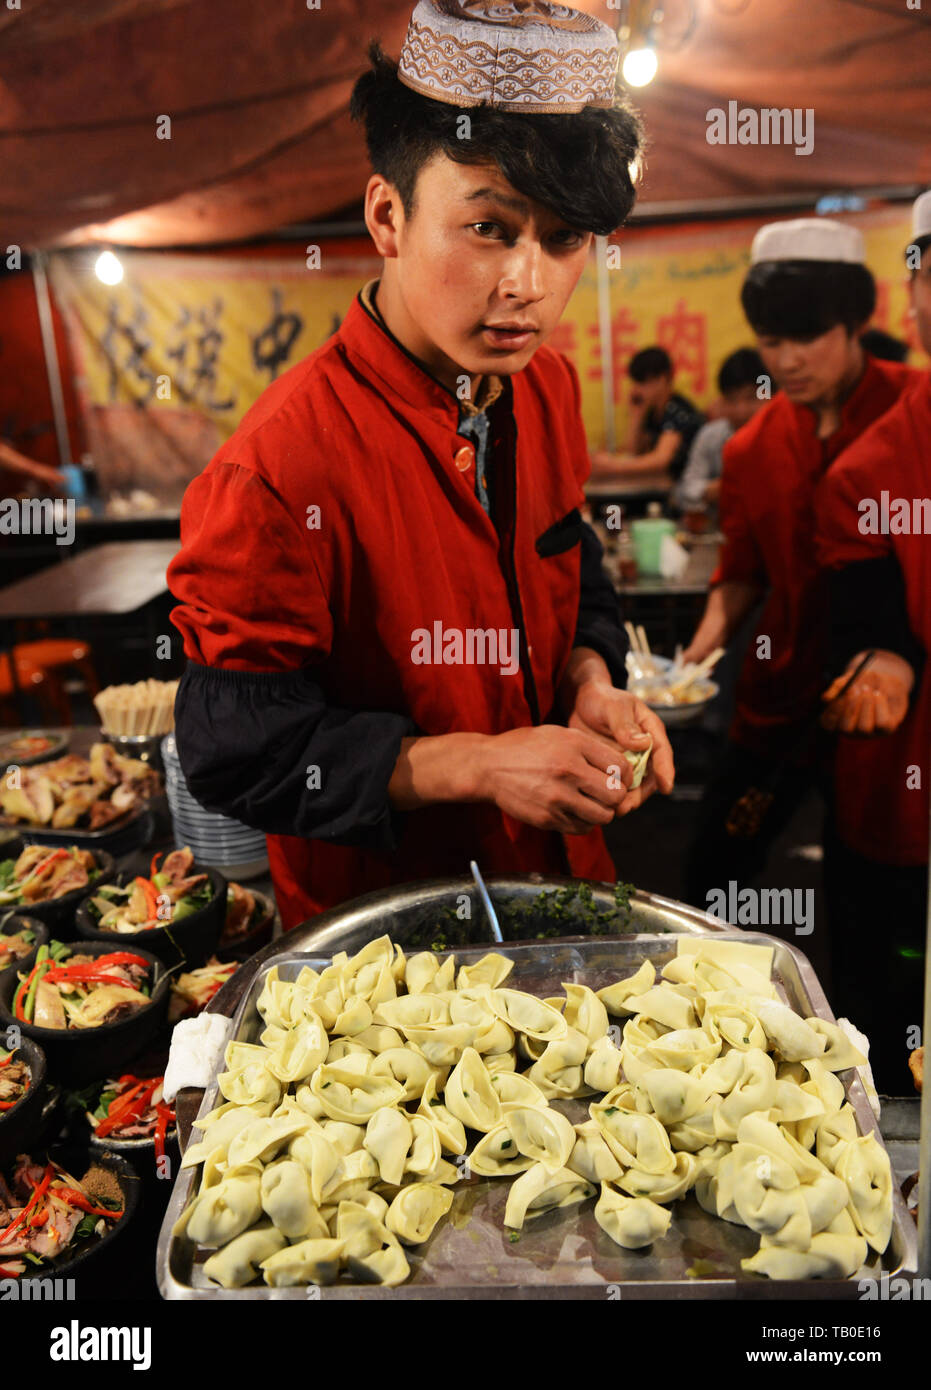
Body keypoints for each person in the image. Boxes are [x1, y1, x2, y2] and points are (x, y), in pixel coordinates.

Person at [167, 1, 675, 930]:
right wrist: (478, 763)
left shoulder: (546, 389)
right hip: (391, 945)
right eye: (490, 228)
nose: (527, 282)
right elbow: (236, 750)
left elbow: (573, 575)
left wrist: (592, 683)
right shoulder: (279, 469)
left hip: (563, 883)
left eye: (563, 240)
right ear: (387, 215)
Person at [682, 218, 919, 918]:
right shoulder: (748, 448)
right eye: (770, 340)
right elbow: (740, 570)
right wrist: (695, 653)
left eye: (806, 337)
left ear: (854, 322)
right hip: (780, 697)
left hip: (888, 704)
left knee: (871, 890)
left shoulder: (914, 410)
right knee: (716, 870)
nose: (786, 360)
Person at [813, 190, 931, 1091]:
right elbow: (863, 624)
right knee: (886, 1022)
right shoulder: (869, 469)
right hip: (901, 794)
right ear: (913, 296)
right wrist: (883, 656)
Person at [590, 346, 705, 485]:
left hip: (685, 487)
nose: (636, 389)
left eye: (642, 382)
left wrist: (612, 465)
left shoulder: (676, 410)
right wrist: (636, 416)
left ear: (662, 379)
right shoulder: (653, 412)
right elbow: (634, 452)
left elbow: (660, 460)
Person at [672, 347, 766, 516]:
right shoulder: (710, 435)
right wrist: (722, 487)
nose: (741, 410)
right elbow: (684, 492)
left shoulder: (787, 436)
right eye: (732, 399)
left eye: (752, 397)